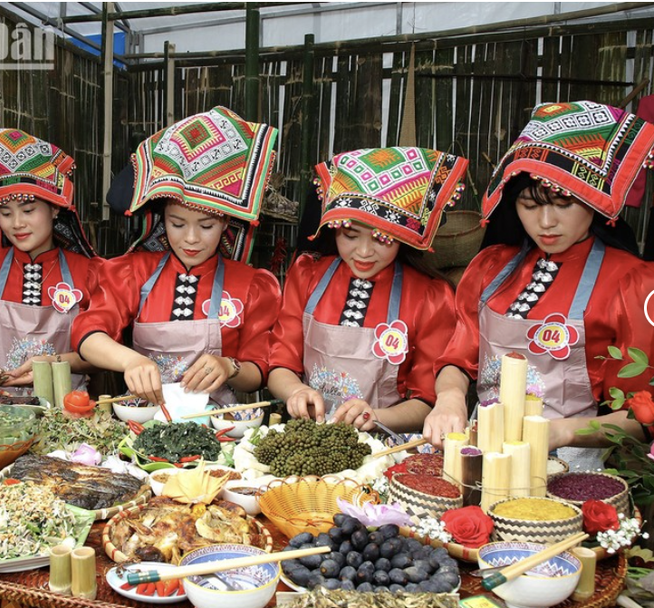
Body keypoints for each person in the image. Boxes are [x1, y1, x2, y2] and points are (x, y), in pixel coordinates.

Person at [423, 100, 654, 469]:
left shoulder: (633, 283)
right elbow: (458, 356)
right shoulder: (491, 267)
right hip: (483, 454)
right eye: (529, 205)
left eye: (562, 203)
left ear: (591, 199)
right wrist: (449, 398)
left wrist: (562, 432)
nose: (545, 222)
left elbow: (643, 416)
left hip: (573, 467)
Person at [72, 107, 281, 405]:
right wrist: (131, 361)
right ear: (162, 219)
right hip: (143, 422)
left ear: (225, 222)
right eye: (177, 223)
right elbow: (88, 334)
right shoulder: (136, 272)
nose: (191, 239)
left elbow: (259, 371)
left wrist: (229, 366)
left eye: (206, 225)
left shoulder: (251, 285)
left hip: (217, 423)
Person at [268, 147, 464, 431]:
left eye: (382, 238)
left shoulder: (428, 296)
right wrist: (295, 392)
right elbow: (280, 363)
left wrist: (375, 416)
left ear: (402, 236)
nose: (363, 251)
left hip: (386, 450)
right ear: (333, 228)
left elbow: (426, 401)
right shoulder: (307, 275)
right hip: (309, 436)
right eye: (349, 234)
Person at [0, 128, 101, 393]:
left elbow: (100, 357)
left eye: (28, 210)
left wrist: (52, 363)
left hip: (67, 414)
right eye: (5, 213)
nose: (17, 224)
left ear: (55, 208)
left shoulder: (88, 273)